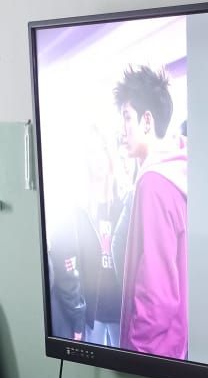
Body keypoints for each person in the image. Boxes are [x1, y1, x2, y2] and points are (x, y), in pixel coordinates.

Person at [113, 65, 188, 358]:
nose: (122, 130)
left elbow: (157, 293)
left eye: (127, 117)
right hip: (175, 347)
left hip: (151, 354)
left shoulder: (154, 182)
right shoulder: (179, 167)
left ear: (146, 121)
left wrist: (135, 353)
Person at [48, 125, 123, 345]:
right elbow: (68, 266)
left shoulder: (125, 202)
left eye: (102, 149)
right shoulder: (78, 209)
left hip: (121, 311)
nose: (98, 157)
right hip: (92, 314)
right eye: (92, 151)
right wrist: (78, 315)